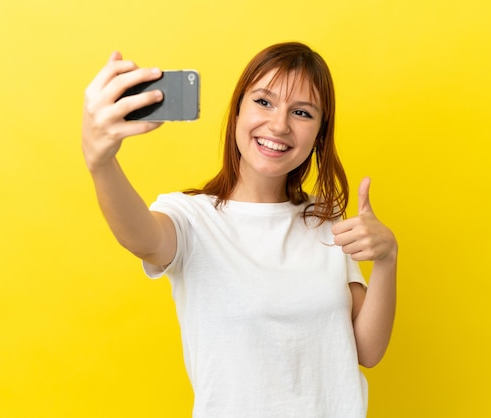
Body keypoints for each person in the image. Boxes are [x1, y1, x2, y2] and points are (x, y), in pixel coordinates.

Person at [82, 41, 397, 418]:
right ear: (237, 111)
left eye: (301, 112)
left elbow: (367, 351)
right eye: (263, 102)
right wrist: (101, 163)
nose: (279, 125)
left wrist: (387, 259)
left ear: (319, 133)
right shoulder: (192, 218)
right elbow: (141, 238)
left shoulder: (325, 220)